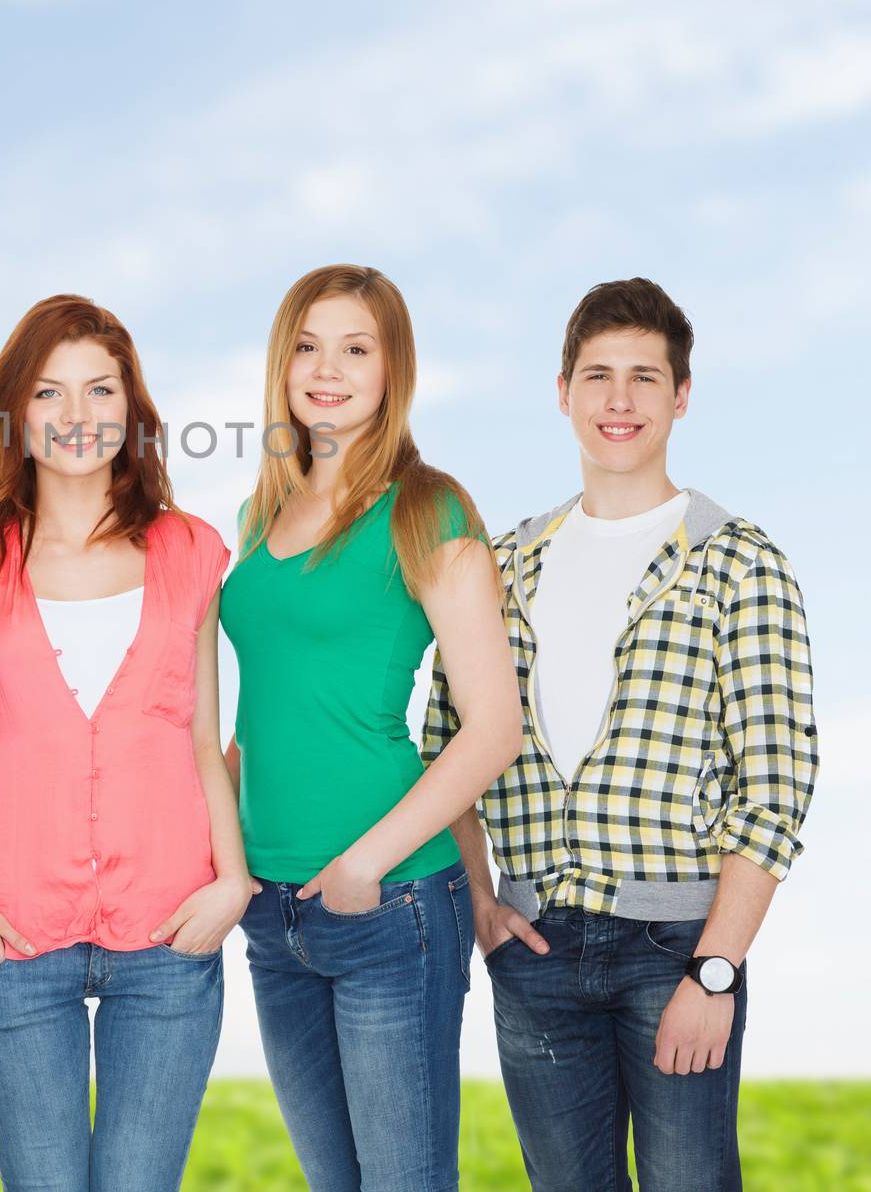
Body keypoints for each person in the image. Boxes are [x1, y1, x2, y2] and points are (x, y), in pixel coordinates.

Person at [424, 277, 820, 1192]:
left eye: (645, 377)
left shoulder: (738, 561)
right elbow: (446, 746)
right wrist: (481, 900)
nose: (619, 399)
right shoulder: (505, 560)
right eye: (598, 375)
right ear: (562, 391)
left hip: (674, 952)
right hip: (535, 950)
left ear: (681, 396)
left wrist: (715, 971)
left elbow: (777, 781)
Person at [0, 293, 251, 1191]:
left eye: (99, 390)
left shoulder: (191, 550)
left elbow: (202, 736)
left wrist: (231, 881)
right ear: (15, 414)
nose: (77, 417)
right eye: (49, 393)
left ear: (131, 409)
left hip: (170, 926)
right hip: (11, 929)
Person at [220, 264, 522, 1192]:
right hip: (273, 911)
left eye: (357, 348)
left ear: (394, 370)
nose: (328, 369)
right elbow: (260, 719)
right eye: (308, 346)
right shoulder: (257, 513)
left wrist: (362, 866)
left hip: (390, 904)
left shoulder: (428, 508)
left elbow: (493, 727)